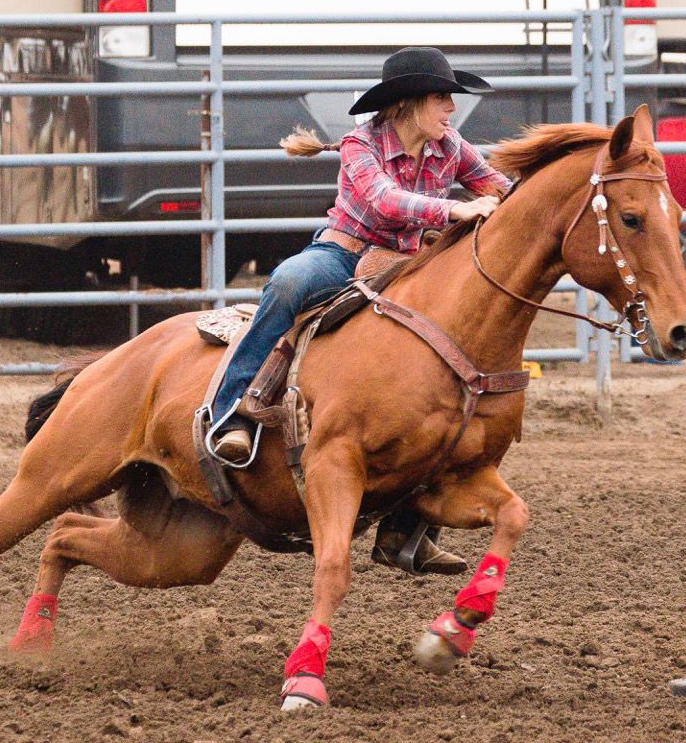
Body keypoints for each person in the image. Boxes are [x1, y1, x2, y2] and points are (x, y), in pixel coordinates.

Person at [206, 46, 514, 575]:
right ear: (409, 104)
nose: (450, 109)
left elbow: (497, 187)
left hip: (412, 263)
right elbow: (382, 202)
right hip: (347, 253)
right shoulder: (361, 143)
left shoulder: (452, 147)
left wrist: (523, 207)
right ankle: (235, 410)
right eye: (442, 98)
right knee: (287, 284)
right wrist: (455, 208)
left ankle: (410, 528)